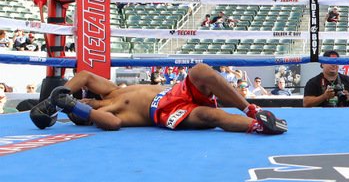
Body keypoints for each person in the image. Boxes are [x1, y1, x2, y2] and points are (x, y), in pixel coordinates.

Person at [29, 63, 286, 134]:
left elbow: (84, 75)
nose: (82, 104)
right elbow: (113, 125)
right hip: (162, 113)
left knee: (200, 70)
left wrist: (58, 98)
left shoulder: (109, 91)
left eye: (79, 102)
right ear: (82, 117)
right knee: (210, 117)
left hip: (176, 92)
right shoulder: (109, 113)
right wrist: (76, 108)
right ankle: (259, 125)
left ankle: (251, 109)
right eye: (78, 110)